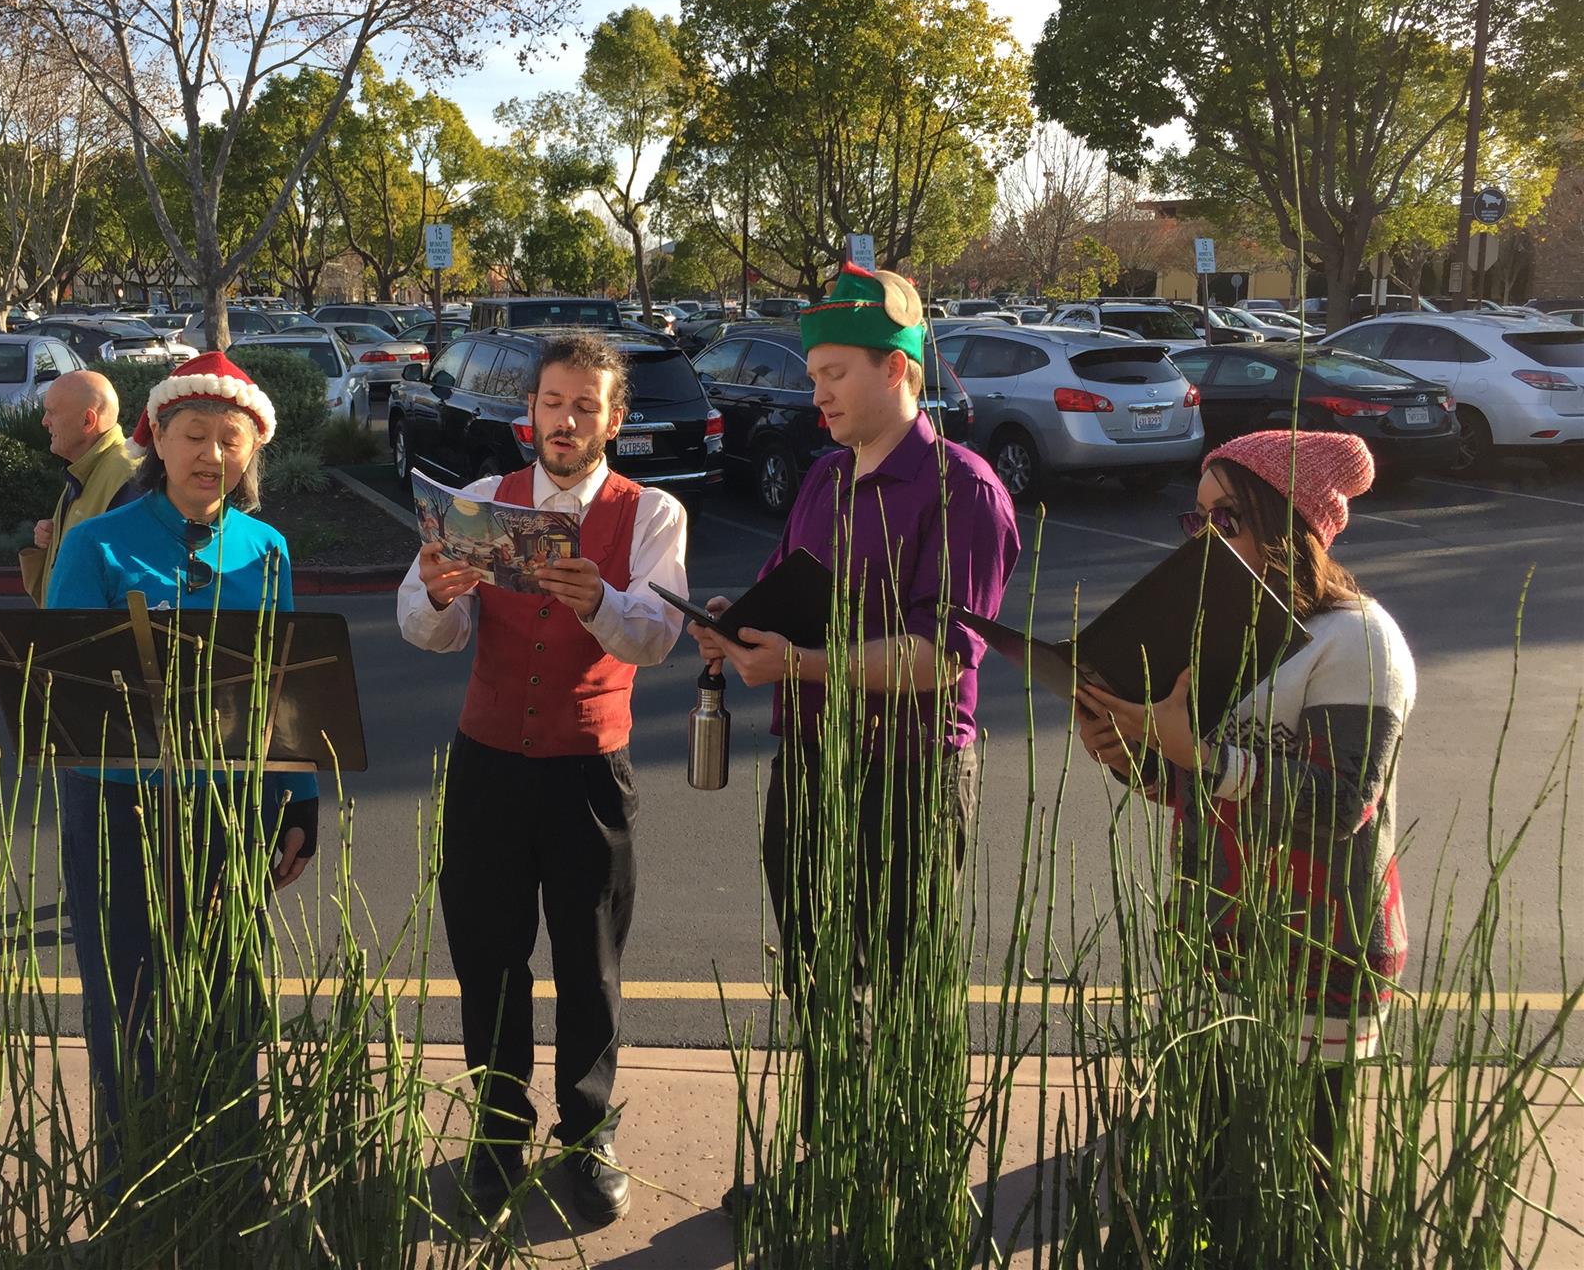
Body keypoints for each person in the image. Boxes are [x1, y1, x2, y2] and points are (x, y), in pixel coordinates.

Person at [689, 264, 1020, 1195]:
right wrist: (735, 617)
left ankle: (910, 1174)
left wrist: (796, 664)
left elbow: (940, 655)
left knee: (905, 983)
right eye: (814, 372)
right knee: (823, 974)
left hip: (907, 772)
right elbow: (788, 592)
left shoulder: (963, 490)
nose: (815, 390)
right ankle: (832, 1154)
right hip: (809, 761)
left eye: (835, 371)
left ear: (900, 371)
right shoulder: (825, 478)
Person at [398, 331, 689, 1225]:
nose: (567, 421)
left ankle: (587, 1130)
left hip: (588, 769)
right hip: (487, 762)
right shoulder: (482, 500)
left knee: (588, 961)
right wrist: (443, 592)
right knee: (488, 957)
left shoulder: (652, 514)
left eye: (586, 407)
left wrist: (599, 599)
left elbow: (658, 636)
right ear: (530, 412)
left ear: (615, 420)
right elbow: (419, 622)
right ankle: (496, 1128)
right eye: (553, 403)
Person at [1073, 430, 1412, 1192]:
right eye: (1195, 521)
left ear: (1289, 523)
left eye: (1224, 519)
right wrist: (1126, 750)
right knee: (1215, 1175)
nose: (1203, 539)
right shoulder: (1221, 632)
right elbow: (1194, 790)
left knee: (1299, 1184)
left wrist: (1193, 753)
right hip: (1220, 939)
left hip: (1318, 948)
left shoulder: (1357, 640)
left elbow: (1342, 803)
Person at [44, 349, 318, 1202]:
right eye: (192, 435)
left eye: (229, 440)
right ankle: (132, 1190)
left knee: (232, 990)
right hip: (121, 810)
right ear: (155, 440)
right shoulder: (96, 545)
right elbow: (62, 687)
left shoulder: (267, 547)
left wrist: (296, 801)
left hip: (230, 809)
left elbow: (288, 692)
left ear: (250, 452)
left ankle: (235, 1179)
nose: (211, 455)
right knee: (128, 999)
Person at [18, 368, 139, 606]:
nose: (44, 422)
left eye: (51, 412)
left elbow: (130, 575)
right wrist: (53, 539)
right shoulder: (88, 466)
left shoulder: (126, 474)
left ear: (87, 421)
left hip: (93, 637)